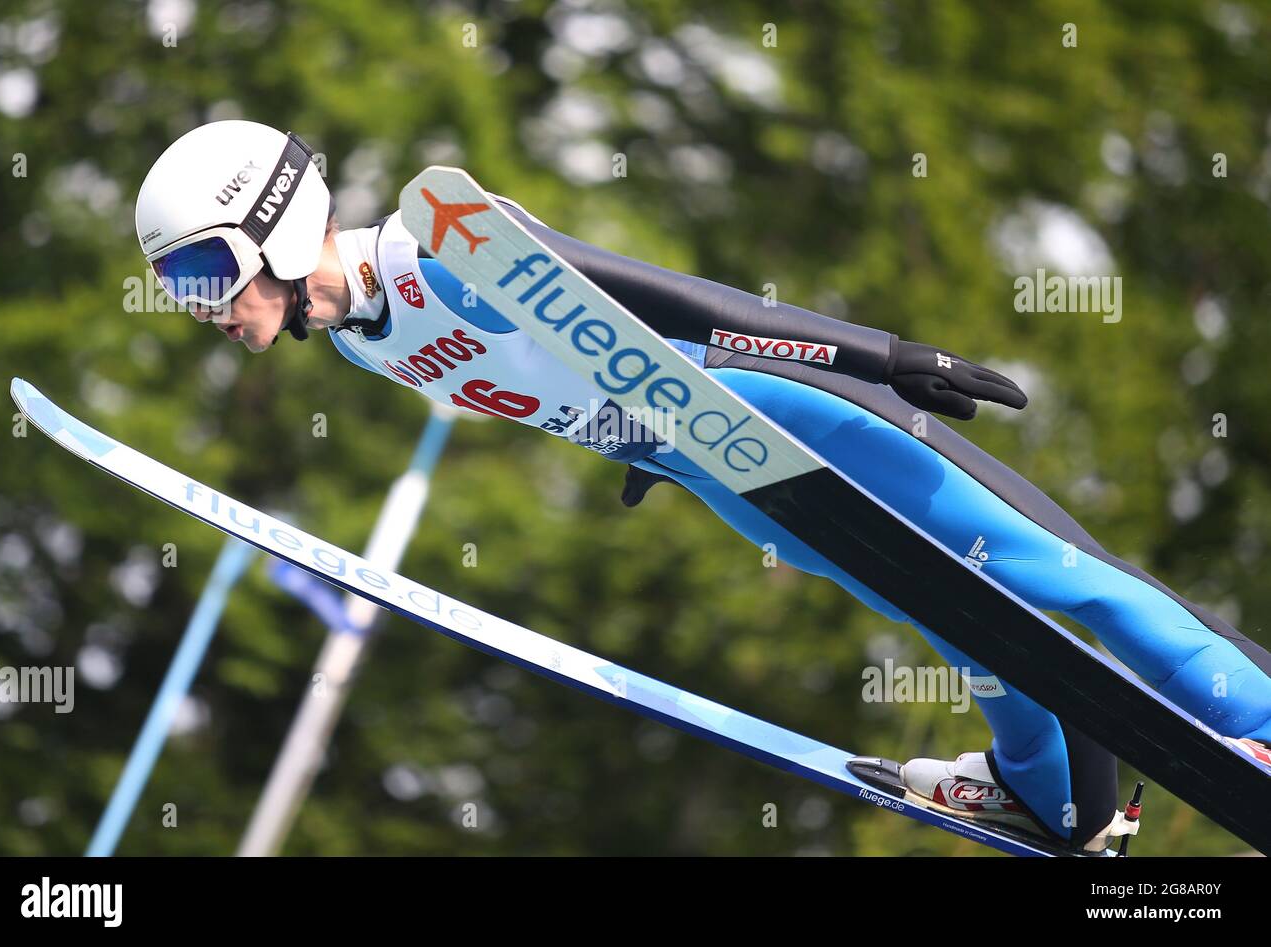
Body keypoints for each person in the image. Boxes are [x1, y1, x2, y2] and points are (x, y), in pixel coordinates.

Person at [136, 120, 1271, 851]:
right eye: (183, 290)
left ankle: (1253, 721)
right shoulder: (358, 345)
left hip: (774, 399)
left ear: (273, 224)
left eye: (203, 273)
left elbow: (692, 303)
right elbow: (551, 375)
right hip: (704, 462)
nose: (208, 310)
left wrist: (880, 357)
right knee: (946, 605)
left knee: (1043, 565)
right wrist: (634, 450)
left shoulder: (440, 245)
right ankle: (1057, 794)